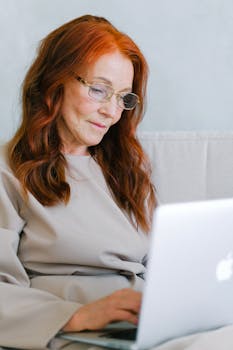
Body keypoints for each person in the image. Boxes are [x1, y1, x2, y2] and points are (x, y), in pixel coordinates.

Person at [0, 14, 156, 350]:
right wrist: (78, 317)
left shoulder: (127, 169)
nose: (112, 113)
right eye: (100, 90)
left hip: (142, 328)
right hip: (77, 334)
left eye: (123, 98)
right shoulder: (8, 171)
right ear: (53, 83)